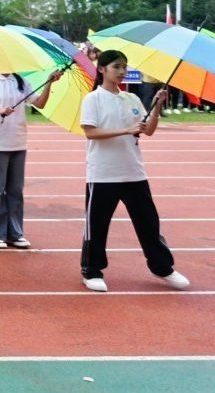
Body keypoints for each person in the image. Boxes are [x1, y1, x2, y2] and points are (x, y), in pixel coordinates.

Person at [79, 50, 189, 293]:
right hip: (103, 173)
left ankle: (162, 267)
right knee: (97, 225)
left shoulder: (131, 98)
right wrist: (125, 130)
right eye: (116, 67)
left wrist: (156, 107)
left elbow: (148, 130)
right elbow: (90, 132)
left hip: (134, 172)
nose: (122, 71)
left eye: (124, 67)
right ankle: (92, 270)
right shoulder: (93, 99)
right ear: (102, 69)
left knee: (149, 223)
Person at [0, 69, 61, 249]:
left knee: (15, 191)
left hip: (18, 143)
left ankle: (15, 233)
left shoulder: (21, 81)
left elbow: (40, 103)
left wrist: (49, 83)